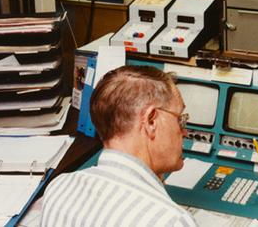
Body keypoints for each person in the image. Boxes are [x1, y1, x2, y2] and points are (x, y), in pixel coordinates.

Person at [40, 66, 197, 227]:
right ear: (151, 121)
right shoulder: (172, 221)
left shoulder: (59, 188)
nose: (184, 132)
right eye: (180, 119)